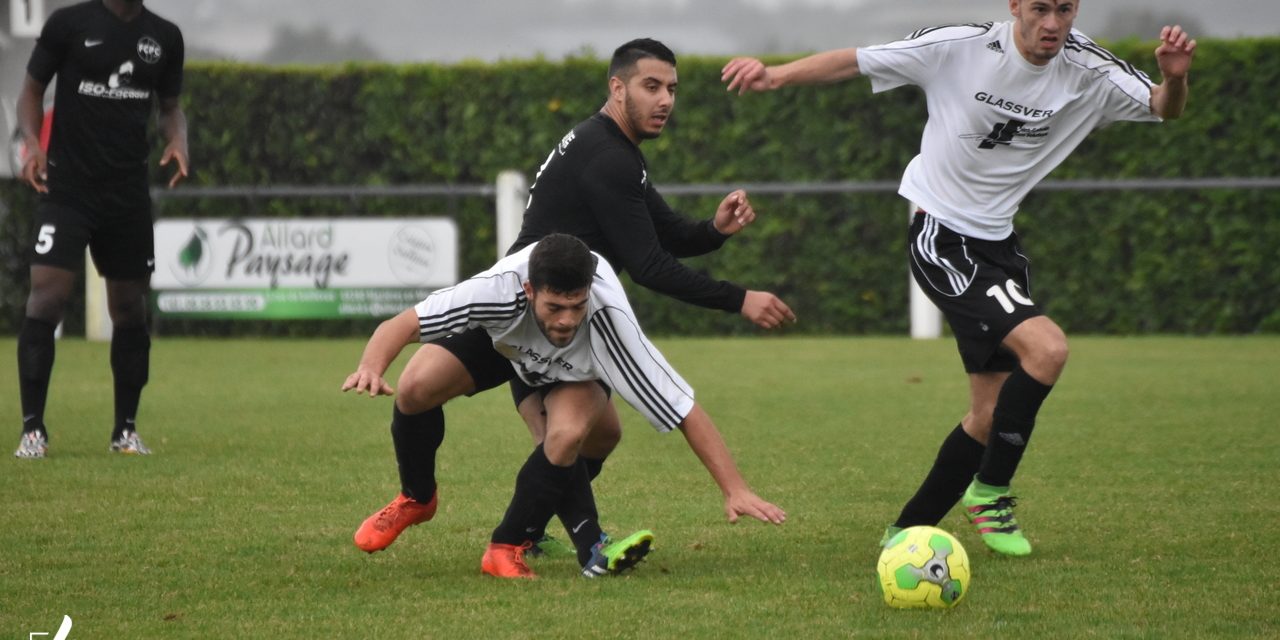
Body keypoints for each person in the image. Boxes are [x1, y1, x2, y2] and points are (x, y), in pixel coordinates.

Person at [722, 0, 1195, 556]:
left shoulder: (1088, 67)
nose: (1052, 23)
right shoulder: (959, 46)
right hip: (942, 236)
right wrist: (775, 75)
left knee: (988, 415)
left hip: (1000, 247)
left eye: (1065, 9)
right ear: (1015, 6)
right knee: (1048, 349)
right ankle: (990, 493)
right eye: (1040, 8)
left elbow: (1162, 108)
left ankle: (906, 531)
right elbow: (857, 59)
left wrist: (1173, 79)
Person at [354, 38, 796, 557]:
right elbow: (651, 267)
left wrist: (714, 231)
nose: (665, 100)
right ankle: (418, 498)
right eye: (651, 86)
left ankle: (533, 530)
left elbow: (665, 233)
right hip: (519, 306)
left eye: (672, 89)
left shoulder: (610, 149)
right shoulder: (607, 157)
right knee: (416, 388)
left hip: (572, 318)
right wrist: (739, 299)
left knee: (594, 437)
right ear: (617, 88)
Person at [342, 233, 786, 578]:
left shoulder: (608, 323)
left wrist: (735, 488)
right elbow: (401, 324)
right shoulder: (496, 291)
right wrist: (370, 367)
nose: (567, 319)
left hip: (574, 370)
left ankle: (508, 546)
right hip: (505, 343)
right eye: (555, 306)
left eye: (576, 306)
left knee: (577, 436)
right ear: (529, 289)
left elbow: (682, 407)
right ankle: (417, 498)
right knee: (414, 387)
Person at [13, 0, 188, 459]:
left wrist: (178, 139)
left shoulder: (164, 36)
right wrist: (31, 144)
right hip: (68, 189)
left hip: (127, 195)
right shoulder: (70, 23)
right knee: (46, 298)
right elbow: (31, 92)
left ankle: (125, 431)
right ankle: (32, 430)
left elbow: (170, 107)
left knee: (129, 309)